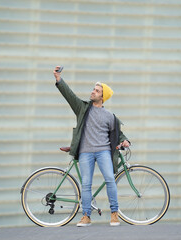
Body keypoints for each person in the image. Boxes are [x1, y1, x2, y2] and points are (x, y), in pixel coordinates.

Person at [53, 66, 130, 227]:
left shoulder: (110, 116)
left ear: (103, 96)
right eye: (93, 89)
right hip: (85, 152)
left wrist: (125, 141)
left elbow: (118, 134)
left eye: (97, 90)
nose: (93, 92)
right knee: (86, 184)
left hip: (103, 151)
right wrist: (59, 79)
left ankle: (114, 214)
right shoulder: (83, 108)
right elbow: (69, 95)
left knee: (110, 179)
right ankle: (86, 216)